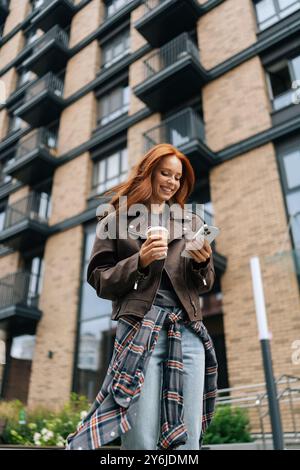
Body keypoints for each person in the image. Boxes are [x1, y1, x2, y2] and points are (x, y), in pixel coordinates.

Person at [66, 143, 218, 450]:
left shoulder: (192, 222)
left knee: (188, 442)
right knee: (140, 437)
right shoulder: (115, 219)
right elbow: (99, 279)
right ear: (148, 172)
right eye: (165, 173)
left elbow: (205, 283)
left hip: (187, 331)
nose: (171, 182)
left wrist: (203, 263)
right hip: (139, 329)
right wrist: (140, 261)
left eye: (177, 177)